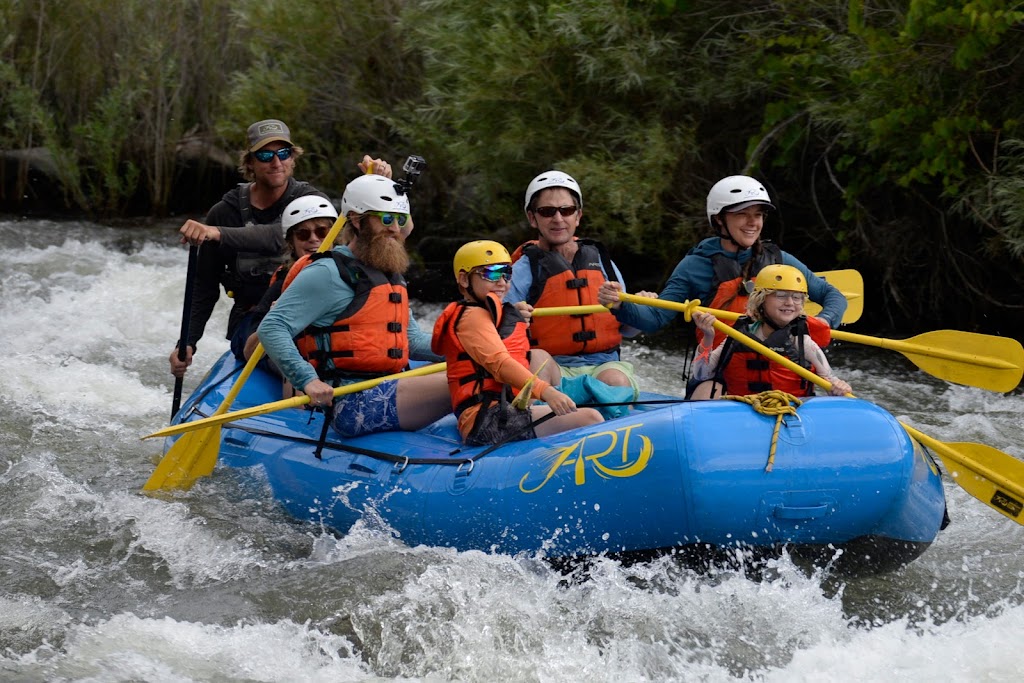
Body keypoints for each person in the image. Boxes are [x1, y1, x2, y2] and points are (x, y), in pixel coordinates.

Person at [168, 117, 392, 378]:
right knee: (292, 355)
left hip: (316, 314)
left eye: (283, 153)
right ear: (250, 162)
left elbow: (278, 235)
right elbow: (203, 287)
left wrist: (380, 184)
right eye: (265, 155)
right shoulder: (225, 213)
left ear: (293, 158)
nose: (276, 162)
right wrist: (187, 341)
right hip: (253, 320)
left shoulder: (311, 201)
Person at [257, 173, 450, 438]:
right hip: (351, 404)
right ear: (358, 221)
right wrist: (307, 379)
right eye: (385, 219)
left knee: (478, 367)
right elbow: (272, 327)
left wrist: (465, 347)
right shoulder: (328, 272)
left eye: (399, 219)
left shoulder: (390, 274)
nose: (394, 227)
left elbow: (411, 340)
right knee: (464, 379)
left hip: (392, 384)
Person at [598, 175, 848, 352]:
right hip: (719, 371)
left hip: (778, 364)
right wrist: (621, 304)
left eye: (758, 215)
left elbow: (832, 296)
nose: (753, 223)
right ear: (719, 219)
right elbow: (655, 319)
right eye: (742, 214)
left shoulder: (779, 260)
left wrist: (824, 322)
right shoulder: (695, 266)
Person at [433, 240, 604, 445]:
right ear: (464, 279)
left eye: (506, 274)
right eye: (492, 273)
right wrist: (546, 391)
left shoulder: (488, 314)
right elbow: (500, 364)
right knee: (590, 419)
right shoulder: (471, 317)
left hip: (504, 408)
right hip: (486, 421)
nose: (502, 282)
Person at [506, 170, 641, 398]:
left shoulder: (602, 263)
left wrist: (635, 308)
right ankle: (538, 420)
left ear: (578, 216)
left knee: (615, 380)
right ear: (532, 218)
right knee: (536, 359)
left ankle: (614, 425)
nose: (558, 219)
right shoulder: (521, 271)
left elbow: (630, 329)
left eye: (566, 211)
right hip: (552, 369)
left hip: (604, 366)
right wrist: (512, 318)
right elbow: (495, 331)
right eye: (547, 212)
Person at [689, 264, 852, 399]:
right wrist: (708, 337)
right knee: (708, 387)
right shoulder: (739, 335)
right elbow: (701, 375)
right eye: (781, 295)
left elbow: (831, 382)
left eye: (796, 297)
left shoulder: (803, 342)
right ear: (761, 300)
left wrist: (839, 388)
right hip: (741, 412)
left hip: (788, 414)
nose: (790, 303)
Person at [235, 194, 337, 365]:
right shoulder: (283, 285)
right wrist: (275, 317)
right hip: (301, 364)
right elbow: (250, 352)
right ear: (292, 242)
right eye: (303, 234)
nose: (314, 239)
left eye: (322, 231)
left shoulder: (353, 274)